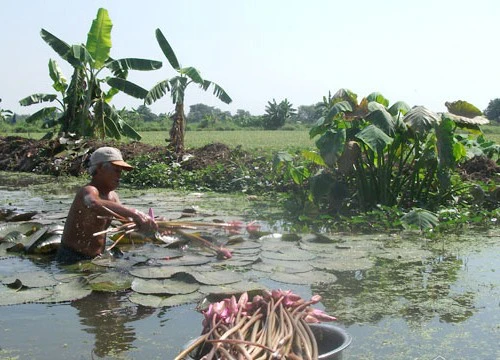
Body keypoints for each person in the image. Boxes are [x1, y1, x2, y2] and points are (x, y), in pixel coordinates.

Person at [56, 146, 157, 264]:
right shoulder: (89, 191)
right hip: (72, 257)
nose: (119, 176)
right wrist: (134, 212)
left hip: (96, 258)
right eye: (116, 170)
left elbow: (128, 222)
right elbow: (93, 203)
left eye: (121, 172)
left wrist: (152, 224)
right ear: (99, 168)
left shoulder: (113, 197)